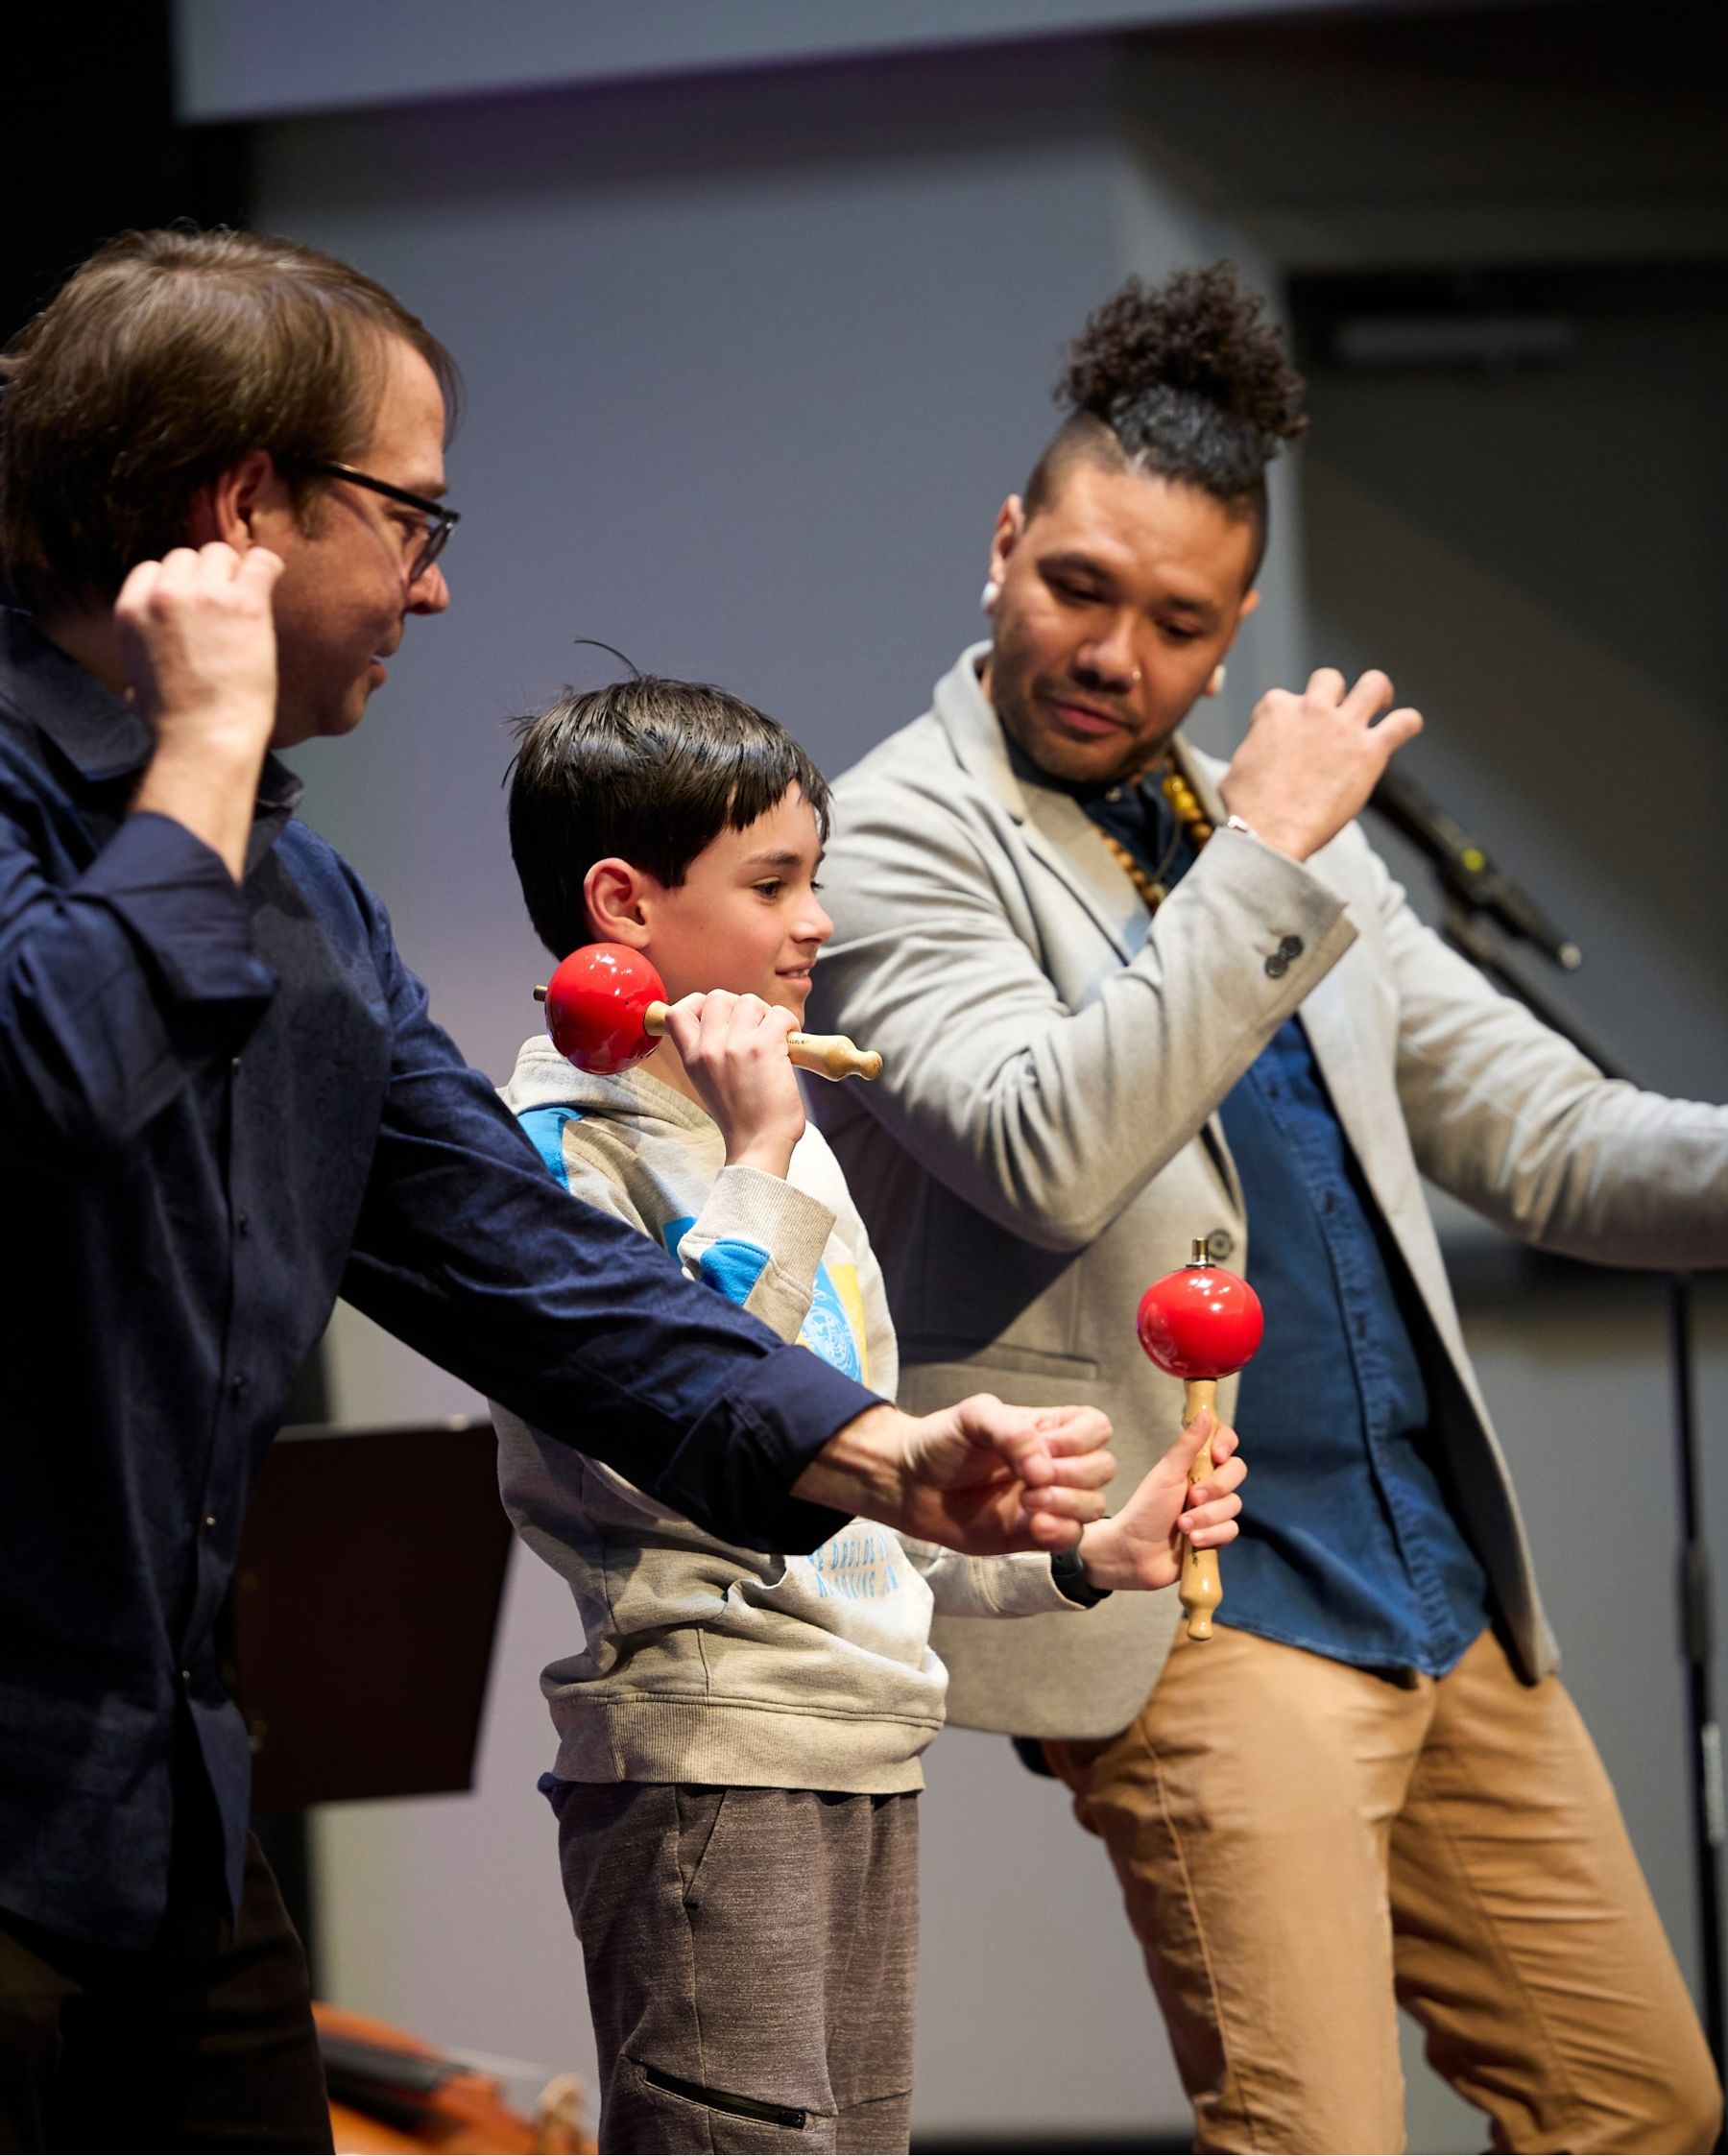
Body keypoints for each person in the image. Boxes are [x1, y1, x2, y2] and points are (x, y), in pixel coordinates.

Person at [0, 228, 1116, 2155]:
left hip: (155, 1813)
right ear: (240, 509)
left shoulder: (304, 904)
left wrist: (878, 1452)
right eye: (410, 519)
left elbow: (524, 1268)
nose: (439, 585)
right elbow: (57, 1077)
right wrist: (200, 738)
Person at [805, 262, 1728, 2153]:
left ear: (1230, 641)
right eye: (1076, 588)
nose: (1111, 655)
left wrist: (1268, 847)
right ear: (1001, 546)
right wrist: (1271, 859)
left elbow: (1549, 1139)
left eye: (1175, 622)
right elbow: (1044, 1140)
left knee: (1639, 2097)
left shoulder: (1260, 829)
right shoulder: (902, 828)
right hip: (1204, 1603)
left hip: (1436, 1582)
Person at [491, 674, 1246, 2155]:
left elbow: (868, 1520)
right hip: (712, 1754)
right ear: (623, 904)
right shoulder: (550, 1165)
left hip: (861, 1737)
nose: (816, 921)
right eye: (773, 881)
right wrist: (762, 1152)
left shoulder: (775, 1130)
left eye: (813, 876)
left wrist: (1087, 1552)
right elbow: (681, 1441)